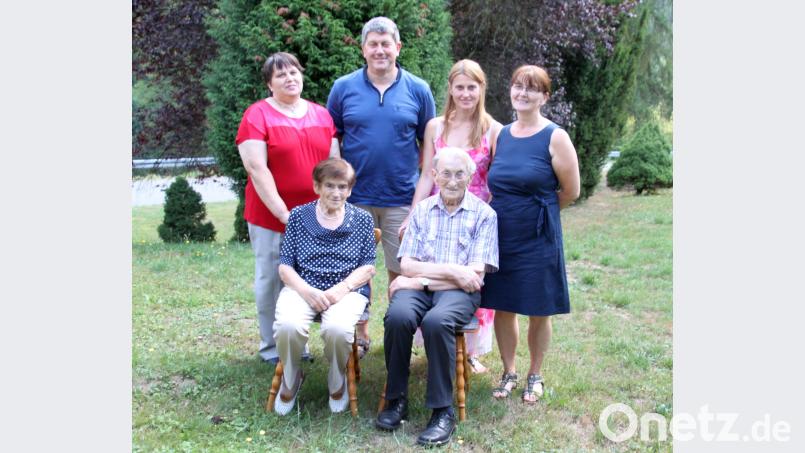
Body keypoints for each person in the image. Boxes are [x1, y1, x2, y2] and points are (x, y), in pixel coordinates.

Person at [326, 16, 436, 358]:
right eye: (373, 44)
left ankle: (395, 331)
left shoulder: (418, 89)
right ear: (363, 49)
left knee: (399, 269)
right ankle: (359, 333)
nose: (379, 50)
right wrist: (337, 184)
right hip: (354, 199)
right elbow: (333, 136)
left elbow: (429, 143)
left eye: (386, 43)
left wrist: (420, 192)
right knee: (355, 268)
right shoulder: (343, 88)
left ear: (398, 47)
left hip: (401, 198)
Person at [376, 147, 498, 446]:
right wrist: (449, 273)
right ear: (434, 176)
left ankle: (443, 412)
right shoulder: (422, 210)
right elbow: (406, 264)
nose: (453, 180)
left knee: (436, 322)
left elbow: (472, 279)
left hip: (456, 294)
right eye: (446, 173)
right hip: (428, 285)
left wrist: (420, 281)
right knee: (398, 316)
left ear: (471, 176)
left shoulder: (485, 214)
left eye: (460, 174)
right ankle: (396, 399)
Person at [482, 65, 580, 404]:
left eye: (532, 88)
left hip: (539, 235)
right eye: (517, 86)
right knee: (503, 306)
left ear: (544, 96)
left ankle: (534, 373)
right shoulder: (501, 134)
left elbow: (570, 191)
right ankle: (508, 371)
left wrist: (539, 213)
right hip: (501, 234)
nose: (522, 93)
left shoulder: (555, 136)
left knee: (540, 307)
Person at [236, 52, 339, 364]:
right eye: (280, 75)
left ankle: (298, 344)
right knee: (271, 279)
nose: (290, 78)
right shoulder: (257, 116)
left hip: (315, 217)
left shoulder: (321, 115)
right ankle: (271, 348)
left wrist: (330, 208)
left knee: (305, 280)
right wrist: (284, 213)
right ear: (269, 83)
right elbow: (257, 168)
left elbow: (334, 167)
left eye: (294, 72)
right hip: (271, 216)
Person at [405, 59, 503, 374]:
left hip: (474, 217)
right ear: (450, 89)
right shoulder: (436, 127)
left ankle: (470, 350)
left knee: (471, 279)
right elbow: (425, 177)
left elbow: (496, 180)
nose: (465, 93)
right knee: (434, 274)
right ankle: (436, 341)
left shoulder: (493, 130)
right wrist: (411, 215)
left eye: (471, 87)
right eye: (459, 87)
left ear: (481, 89)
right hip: (437, 213)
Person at [272, 158, 376, 415]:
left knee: (338, 329)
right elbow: (285, 267)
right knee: (288, 325)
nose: (336, 193)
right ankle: (292, 376)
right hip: (303, 287)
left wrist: (338, 291)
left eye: (343, 186)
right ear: (317, 186)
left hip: (347, 290)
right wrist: (307, 291)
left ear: (350, 190)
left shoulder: (362, 219)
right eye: (330, 186)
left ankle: (336, 377)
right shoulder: (298, 216)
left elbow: (368, 267)